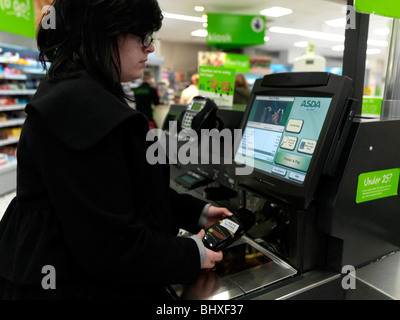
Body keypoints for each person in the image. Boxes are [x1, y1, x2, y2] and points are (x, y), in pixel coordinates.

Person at [0, 0, 232, 300]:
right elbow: (111, 246)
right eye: (143, 36)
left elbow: (119, 194)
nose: (150, 48)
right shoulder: (80, 109)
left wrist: (196, 212)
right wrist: (192, 253)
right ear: (106, 34)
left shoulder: (77, 91)